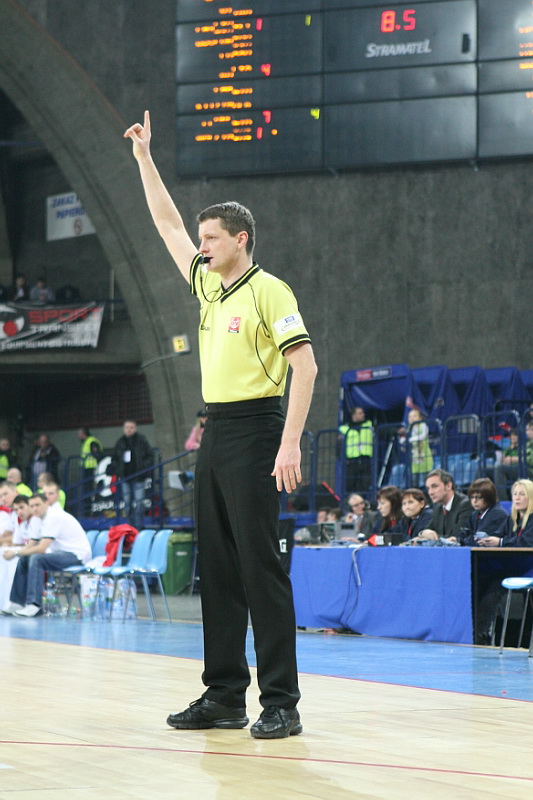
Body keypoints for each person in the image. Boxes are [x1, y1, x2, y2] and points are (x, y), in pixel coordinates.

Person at [125, 110, 316, 739]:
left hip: (259, 430)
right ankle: (225, 695)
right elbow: (166, 224)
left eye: (211, 237)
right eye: (201, 237)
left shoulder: (270, 291)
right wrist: (145, 159)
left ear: (240, 239)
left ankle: (281, 702)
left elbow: (306, 366)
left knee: (261, 567)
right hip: (216, 431)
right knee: (220, 569)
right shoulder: (208, 287)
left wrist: (289, 443)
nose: (201, 245)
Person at [2, 493, 91, 617]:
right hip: (59, 554)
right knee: (24, 558)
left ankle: (34, 604)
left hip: (77, 555)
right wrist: (19, 553)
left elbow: (41, 548)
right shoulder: (36, 519)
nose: (35, 509)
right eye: (32, 506)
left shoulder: (54, 516)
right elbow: (31, 545)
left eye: (37, 505)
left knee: (37, 558)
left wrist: (15, 552)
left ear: (47, 503)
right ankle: (17, 603)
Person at [474, 479, 533, 644]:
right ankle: (477, 631)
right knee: (480, 579)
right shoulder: (511, 519)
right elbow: (499, 535)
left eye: (522, 494)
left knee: (495, 585)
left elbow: (526, 542)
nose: (517, 498)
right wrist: (486, 540)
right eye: (515, 494)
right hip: (510, 566)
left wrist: (500, 542)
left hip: (527, 568)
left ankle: (480, 634)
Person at [109, 420, 153, 531]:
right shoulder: (120, 442)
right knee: (127, 503)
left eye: (131, 427)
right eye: (127, 427)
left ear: (135, 428)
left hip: (139, 477)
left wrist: (143, 468)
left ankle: (138, 526)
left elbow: (150, 456)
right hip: (125, 477)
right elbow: (114, 458)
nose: (129, 430)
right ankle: (130, 526)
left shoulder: (142, 440)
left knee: (139, 502)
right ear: (124, 429)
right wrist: (118, 470)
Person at [420, 468, 472, 540]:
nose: (430, 492)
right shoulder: (438, 508)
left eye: (434, 486)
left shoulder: (465, 505)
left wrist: (434, 537)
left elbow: (457, 536)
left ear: (448, 486)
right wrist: (424, 533)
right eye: (428, 488)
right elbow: (427, 529)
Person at [457, 478, 508, 546]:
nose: (474, 501)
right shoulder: (474, 514)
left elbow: (479, 540)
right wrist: (456, 539)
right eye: (472, 497)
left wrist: (462, 540)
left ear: (489, 497)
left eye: (478, 497)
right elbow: (465, 533)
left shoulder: (498, 514)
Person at [338, 406, 373, 494]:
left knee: (364, 486)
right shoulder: (344, 428)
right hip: (351, 461)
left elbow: (382, 430)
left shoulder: (369, 425)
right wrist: (342, 458)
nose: (363, 415)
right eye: (360, 413)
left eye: (363, 413)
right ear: (353, 415)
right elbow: (338, 446)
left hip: (365, 460)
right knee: (350, 485)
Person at [405, 408, 433, 486]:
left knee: (426, 478)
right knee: (414, 479)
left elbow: (423, 436)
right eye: (410, 417)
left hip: (425, 457)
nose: (412, 418)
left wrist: (410, 439)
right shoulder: (409, 429)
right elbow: (404, 438)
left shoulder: (423, 425)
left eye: (414, 416)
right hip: (414, 458)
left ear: (420, 418)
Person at [78, 427, 103, 513]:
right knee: (86, 489)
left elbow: (96, 453)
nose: (78, 435)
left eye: (79, 433)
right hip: (87, 468)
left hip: (91, 468)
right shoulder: (86, 441)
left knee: (90, 488)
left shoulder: (91, 441)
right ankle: (87, 509)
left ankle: (90, 509)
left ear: (83, 433)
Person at [493, 429, 520, 500]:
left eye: (515, 435)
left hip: (518, 468)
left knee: (499, 468)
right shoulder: (508, 449)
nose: (512, 437)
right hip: (506, 467)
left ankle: (502, 500)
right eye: (511, 435)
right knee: (483, 469)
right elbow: (502, 458)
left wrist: (511, 459)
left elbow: (524, 459)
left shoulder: (523, 447)